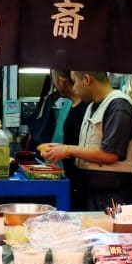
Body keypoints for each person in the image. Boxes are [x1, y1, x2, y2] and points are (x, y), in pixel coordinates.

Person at [42, 71, 132, 211]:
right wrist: (63, 150)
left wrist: (69, 150)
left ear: (87, 79)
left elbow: (110, 154)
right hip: (91, 195)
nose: (73, 88)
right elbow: (89, 148)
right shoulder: (92, 107)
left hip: (113, 198)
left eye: (75, 82)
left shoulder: (119, 106)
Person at [49, 70, 90, 210]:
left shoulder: (87, 108)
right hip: (70, 180)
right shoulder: (70, 105)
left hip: (83, 182)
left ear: (61, 81)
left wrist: (66, 150)